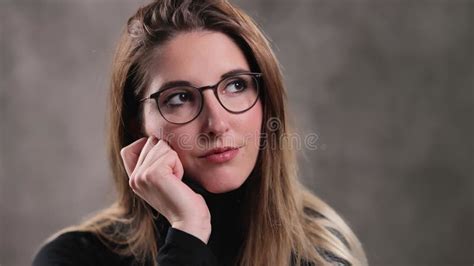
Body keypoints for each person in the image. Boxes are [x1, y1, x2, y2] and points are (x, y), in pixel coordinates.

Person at [33, 0, 368, 265]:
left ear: (266, 102)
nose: (217, 124)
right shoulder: (72, 257)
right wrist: (188, 232)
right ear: (138, 123)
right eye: (180, 98)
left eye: (236, 85)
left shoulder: (322, 252)